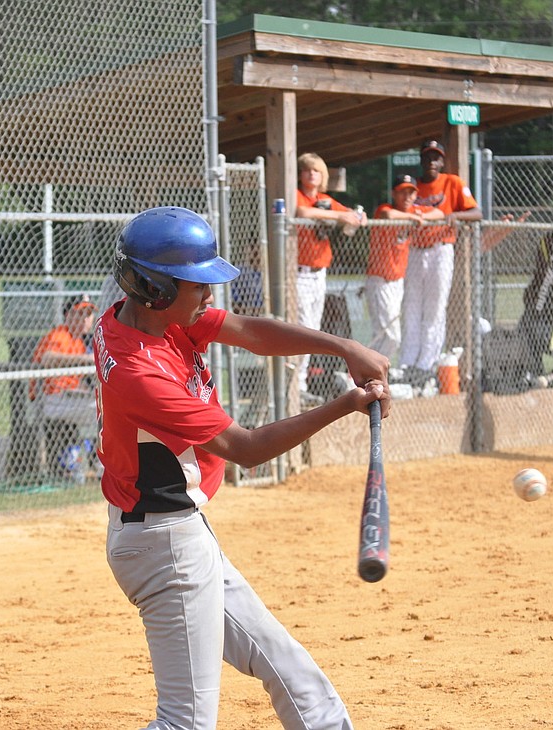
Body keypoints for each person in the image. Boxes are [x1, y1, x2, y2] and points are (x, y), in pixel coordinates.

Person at [95, 206, 390, 729]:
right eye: (197, 285)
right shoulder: (141, 373)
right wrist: (345, 403)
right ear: (157, 288)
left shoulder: (144, 317)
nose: (210, 294)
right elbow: (246, 448)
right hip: (164, 549)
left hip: (182, 534)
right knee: (185, 723)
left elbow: (253, 332)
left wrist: (344, 346)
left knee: (290, 669)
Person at [400, 140, 481, 382]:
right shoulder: (413, 187)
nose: (432, 162)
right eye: (428, 157)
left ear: (442, 161)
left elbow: (477, 213)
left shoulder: (452, 182)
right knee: (412, 308)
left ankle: (427, 364)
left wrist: (453, 214)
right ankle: (407, 362)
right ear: (421, 160)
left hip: (441, 249)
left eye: (436, 157)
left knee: (434, 310)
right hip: (415, 250)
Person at [294, 152, 367, 406]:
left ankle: (301, 384)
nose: (311, 174)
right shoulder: (299, 196)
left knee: (312, 329)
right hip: (299, 272)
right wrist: (338, 216)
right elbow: (301, 211)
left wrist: (358, 215)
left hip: (319, 273)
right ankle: (296, 386)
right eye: (306, 170)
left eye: (315, 170)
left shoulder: (325, 200)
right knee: (302, 328)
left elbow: (349, 214)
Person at [366, 174, 445, 364]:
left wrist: (421, 216)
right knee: (390, 336)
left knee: (388, 333)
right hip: (380, 282)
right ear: (394, 193)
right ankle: (361, 373)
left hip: (397, 283)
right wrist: (413, 218)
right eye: (402, 192)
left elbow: (440, 214)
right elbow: (388, 216)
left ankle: (370, 374)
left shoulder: (415, 210)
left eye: (411, 192)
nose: (407, 197)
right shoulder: (385, 209)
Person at [30, 295, 99, 477]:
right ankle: (99, 464)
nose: (86, 319)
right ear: (68, 315)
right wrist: (83, 359)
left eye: (89, 314)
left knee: (102, 406)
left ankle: (88, 461)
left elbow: (76, 381)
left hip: (69, 399)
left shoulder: (78, 342)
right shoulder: (59, 335)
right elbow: (47, 358)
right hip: (50, 400)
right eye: (80, 313)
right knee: (102, 411)